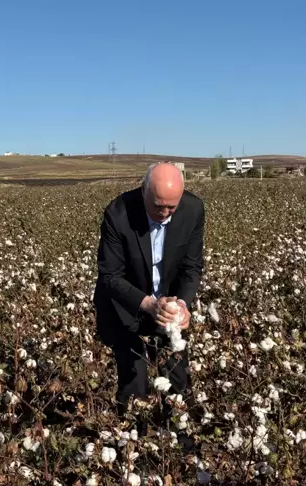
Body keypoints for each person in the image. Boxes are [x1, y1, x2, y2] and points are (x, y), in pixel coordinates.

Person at [93, 162, 205, 421]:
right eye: (158, 206)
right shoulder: (118, 214)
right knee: (135, 377)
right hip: (123, 305)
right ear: (143, 190)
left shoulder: (192, 210)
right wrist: (147, 304)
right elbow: (110, 276)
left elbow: (192, 267)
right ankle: (134, 441)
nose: (165, 213)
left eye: (171, 207)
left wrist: (183, 305)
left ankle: (176, 439)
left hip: (167, 304)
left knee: (177, 376)